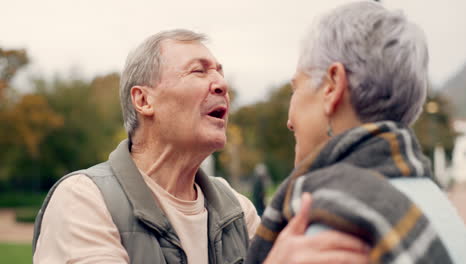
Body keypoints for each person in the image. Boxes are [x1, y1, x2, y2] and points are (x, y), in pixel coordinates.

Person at [32, 29, 369, 263]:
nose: (221, 83)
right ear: (144, 100)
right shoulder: (84, 200)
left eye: (220, 73)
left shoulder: (238, 210)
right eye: (199, 71)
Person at [246, 2, 466, 264]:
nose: (289, 121)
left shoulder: (329, 232)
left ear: (332, 85)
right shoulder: (438, 204)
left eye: (296, 87)